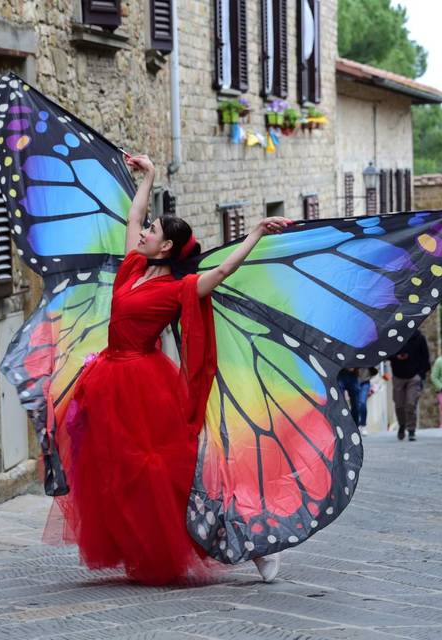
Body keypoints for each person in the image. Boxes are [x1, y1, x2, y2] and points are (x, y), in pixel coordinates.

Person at [55, 154, 292, 585]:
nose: (143, 232)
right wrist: (146, 177)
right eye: (147, 229)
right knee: (120, 476)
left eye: (152, 232)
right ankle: (142, 546)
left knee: (174, 475)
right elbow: (134, 215)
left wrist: (256, 231)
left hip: (146, 386)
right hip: (109, 380)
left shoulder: (179, 289)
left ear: (165, 247)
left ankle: (256, 548)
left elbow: (223, 269)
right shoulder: (131, 269)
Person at [388, 329, 430, 441]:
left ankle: (411, 430)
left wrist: (421, 375)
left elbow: (425, 358)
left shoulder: (419, 338)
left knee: (411, 404)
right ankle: (402, 425)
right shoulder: (394, 336)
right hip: (398, 375)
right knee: (399, 405)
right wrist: (396, 357)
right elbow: (386, 354)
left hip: (414, 376)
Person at [337, 367, 377, 436]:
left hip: (361, 380)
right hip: (343, 374)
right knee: (340, 403)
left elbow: (373, 365)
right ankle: (343, 425)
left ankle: (358, 425)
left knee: (359, 403)